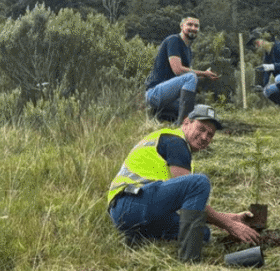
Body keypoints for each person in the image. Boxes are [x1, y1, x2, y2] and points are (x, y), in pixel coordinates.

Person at [107, 104, 259, 262]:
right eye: (201, 128)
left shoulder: (178, 149)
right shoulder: (175, 142)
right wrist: (229, 225)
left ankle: (137, 238)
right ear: (186, 122)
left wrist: (231, 218)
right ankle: (190, 261)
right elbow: (192, 191)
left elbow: (191, 208)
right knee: (199, 182)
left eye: (210, 134)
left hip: (132, 213)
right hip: (130, 203)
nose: (205, 137)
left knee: (202, 233)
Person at [145, 17, 220, 123]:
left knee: (197, 111)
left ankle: (162, 117)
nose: (193, 28)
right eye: (189, 24)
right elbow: (178, 70)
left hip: (170, 97)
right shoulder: (174, 40)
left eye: (196, 26)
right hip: (154, 93)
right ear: (181, 26)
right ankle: (183, 126)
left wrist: (205, 76)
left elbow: (181, 77)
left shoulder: (188, 50)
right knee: (191, 77)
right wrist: (203, 73)